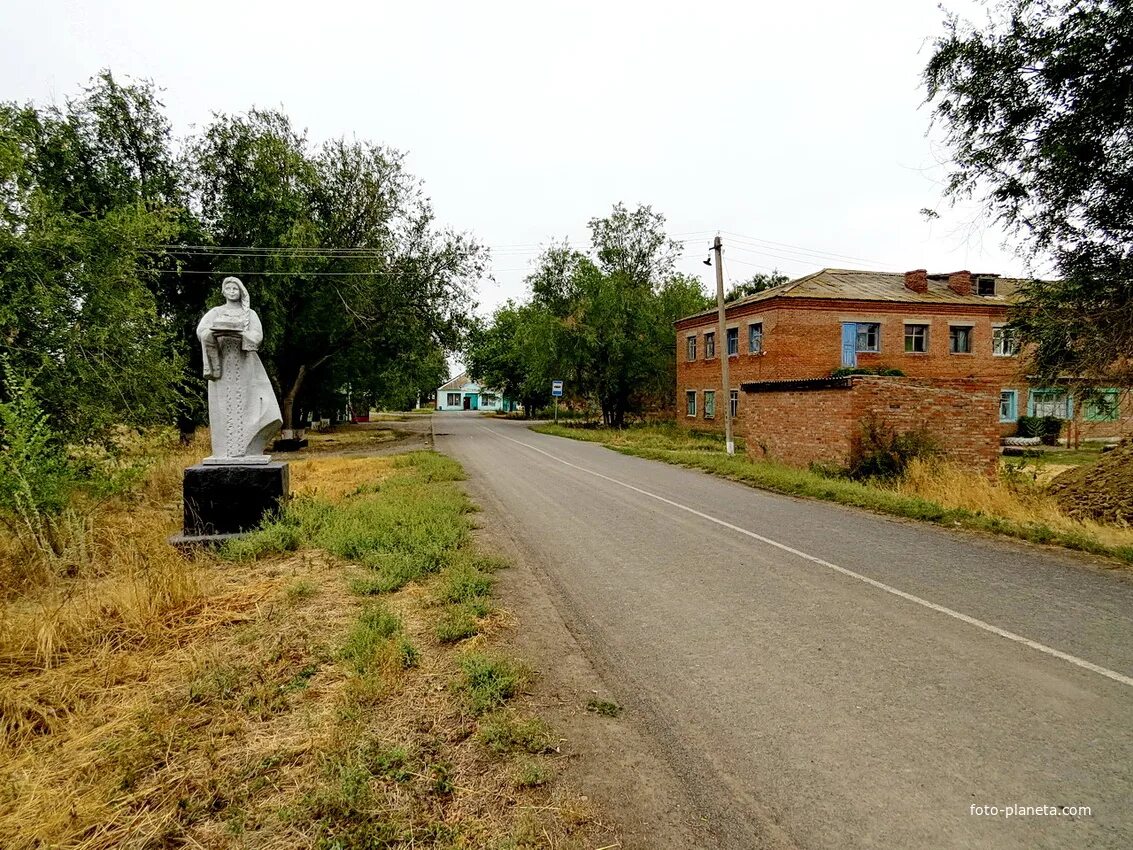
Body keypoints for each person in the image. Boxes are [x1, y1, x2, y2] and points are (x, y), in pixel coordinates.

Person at [196, 277, 282, 461]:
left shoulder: (249, 314)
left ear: (241, 291)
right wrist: (213, 332)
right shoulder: (215, 312)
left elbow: (257, 337)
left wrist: (240, 332)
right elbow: (201, 332)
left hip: (246, 365)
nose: (232, 291)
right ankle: (223, 452)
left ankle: (249, 446)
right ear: (223, 291)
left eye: (236, 288)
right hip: (221, 367)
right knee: (222, 408)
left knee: (258, 404)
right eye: (228, 288)